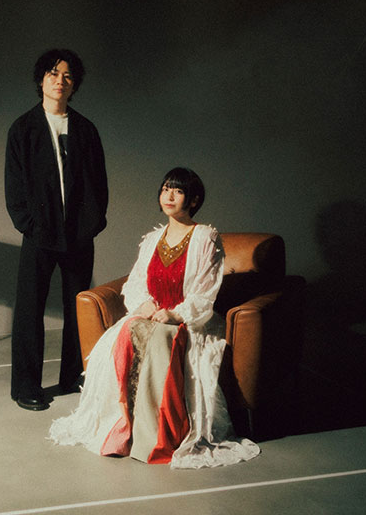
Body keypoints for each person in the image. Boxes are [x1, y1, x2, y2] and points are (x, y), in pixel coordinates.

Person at [49, 167, 259, 468]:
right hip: (152, 316)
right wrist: (144, 305)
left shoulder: (205, 238)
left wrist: (174, 314)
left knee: (161, 339)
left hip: (188, 322)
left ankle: (157, 439)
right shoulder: (152, 239)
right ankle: (123, 431)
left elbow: (205, 293)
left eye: (178, 191)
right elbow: (135, 282)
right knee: (125, 333)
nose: (169, 196)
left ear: (193, 200)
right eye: (165, 189)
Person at [5, 49, 108, 411]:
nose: (59, 81)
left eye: (67, 76)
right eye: (53, 73)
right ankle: (26, 386)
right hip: (40, 234)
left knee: (79, 308)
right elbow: (14, 187)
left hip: (78, 234)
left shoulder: (86, 129)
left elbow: (99, 182)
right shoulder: (23, 129)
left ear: (74, 84)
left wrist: (92, 224)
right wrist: (31, 226)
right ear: (41, 79)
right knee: (29, 309)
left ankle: (73, 376)